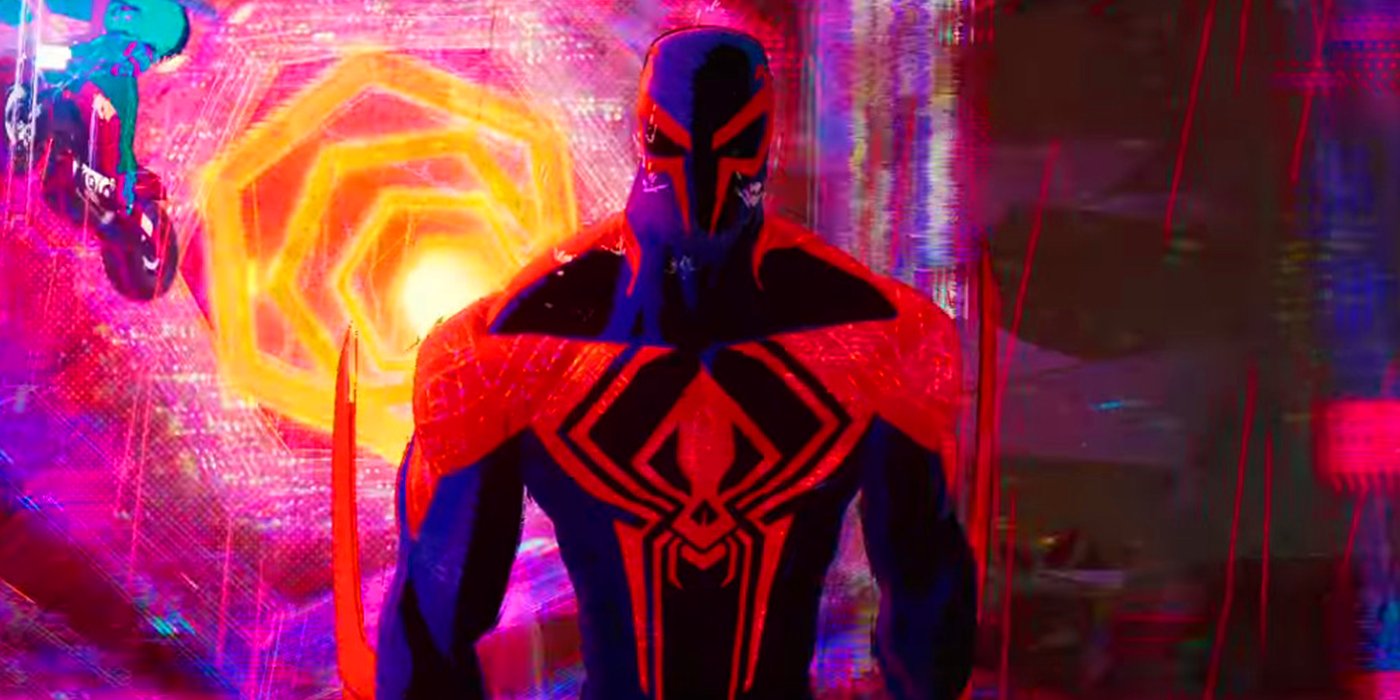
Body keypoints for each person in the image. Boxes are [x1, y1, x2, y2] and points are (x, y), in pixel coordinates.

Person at [333, 26, 976, 700]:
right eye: (673, 144)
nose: (701, 183)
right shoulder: (508, 349)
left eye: (731, 147)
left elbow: (929, 623)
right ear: (643, 137)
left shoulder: (877, 340)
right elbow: (431, 633)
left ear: (769, 142)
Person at [4, 0, 189, 212]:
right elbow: (83, 54)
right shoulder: (113, 48)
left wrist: (48, 55)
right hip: (86, 97)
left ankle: (118, 185)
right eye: (120, 5)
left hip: (95, 102)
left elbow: (88, 55)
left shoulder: (122, 52)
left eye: (129, 10)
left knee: (103, 126)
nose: (117, 11)